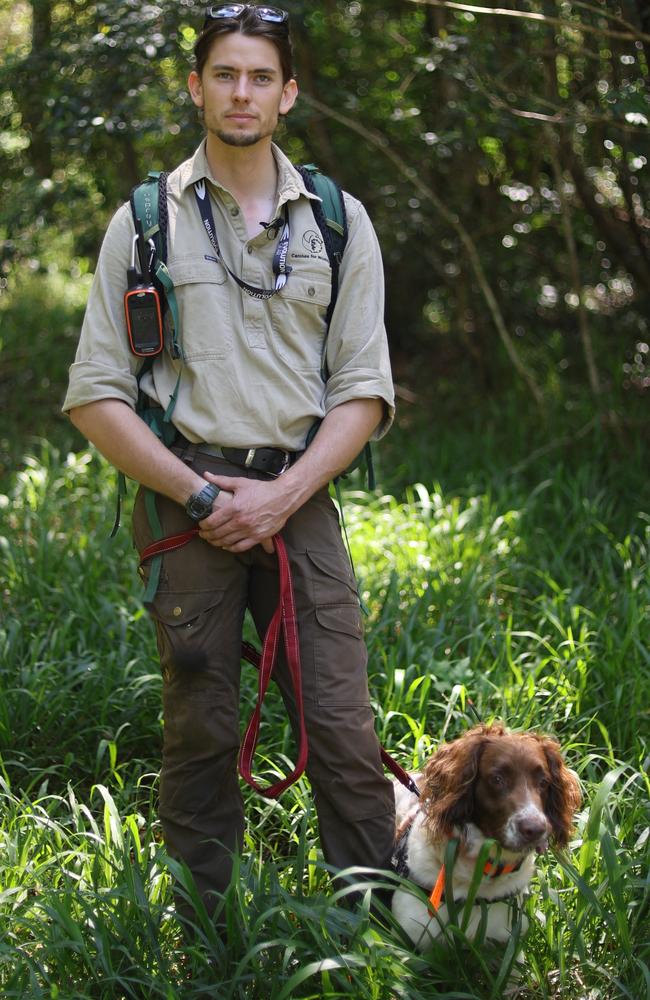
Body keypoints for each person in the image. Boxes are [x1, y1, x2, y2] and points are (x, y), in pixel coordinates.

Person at [63, 3, 396, 919]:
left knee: (339, 723)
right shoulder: (142, 222)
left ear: (287, 93)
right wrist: (205, 494)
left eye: (260, 76)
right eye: (224, 74)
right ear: (195, 86)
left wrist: (284, 495)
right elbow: (97, 394)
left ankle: (371, 929)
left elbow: (363, 389)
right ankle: (203, 935)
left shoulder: (338, 219)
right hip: (186, 503)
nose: (241, 92)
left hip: (303, 495)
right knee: (201, 727)